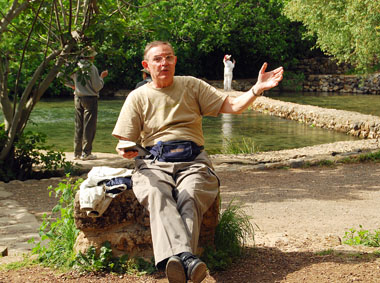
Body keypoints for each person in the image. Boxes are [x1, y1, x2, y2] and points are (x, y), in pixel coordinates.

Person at [112, 41, 283, 283]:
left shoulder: (191, 85)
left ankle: (177, 261)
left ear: (175, 61)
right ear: (146, 65)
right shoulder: (137, 97)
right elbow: (124, 140)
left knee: (190, 194)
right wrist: (125, 149)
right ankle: (188, 260)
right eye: (158, 59)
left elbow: (232, 106)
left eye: (169, 58)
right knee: (156, 192)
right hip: (153, 162)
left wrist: (257, 89)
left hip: (194, 161)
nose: (164, 63)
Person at [64, 47, 108, 160]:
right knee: (89, 126)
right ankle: (86, 153)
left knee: (78, 125)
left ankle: (76, 153)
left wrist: (73, 86)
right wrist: (102, 77)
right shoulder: (92, 68)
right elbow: (97, 86)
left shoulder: (75, 66)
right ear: (91, 56)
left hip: (78, 97)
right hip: (90, 98)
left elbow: (62, 77)